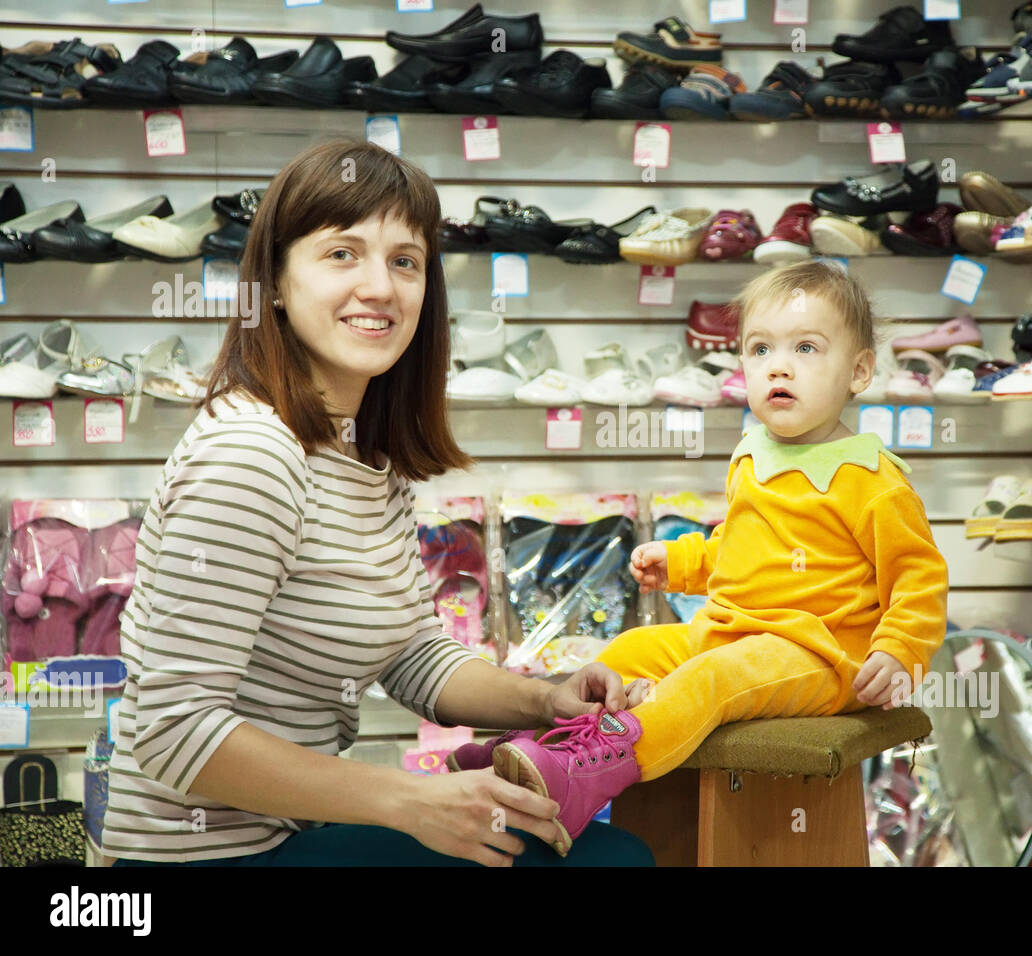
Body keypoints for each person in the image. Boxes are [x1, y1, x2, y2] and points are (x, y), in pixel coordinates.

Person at [103, 139, 652, 868]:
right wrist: (411, 801)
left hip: (291, 837)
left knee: (599, 848)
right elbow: (173, 732)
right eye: (342, 254)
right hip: (206, 857)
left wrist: (545, 699)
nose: (380, 287)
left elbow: (412, 655)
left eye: (405, 261)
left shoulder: (361, 456)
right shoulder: (252, 455)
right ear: (274, 283)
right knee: (610, 861)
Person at [473, 260, 949, 855]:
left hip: (818, 653)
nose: (778, 366)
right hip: (730, 629)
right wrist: (682, 561)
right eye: (760, 349)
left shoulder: (871, 479)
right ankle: (537, 751)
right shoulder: (755, 454)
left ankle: (590, 772)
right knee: (626, 653)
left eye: (805, 348)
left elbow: (919, 577)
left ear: (859, 371)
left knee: (711, 680)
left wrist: (901, 652)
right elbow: (739, 546)